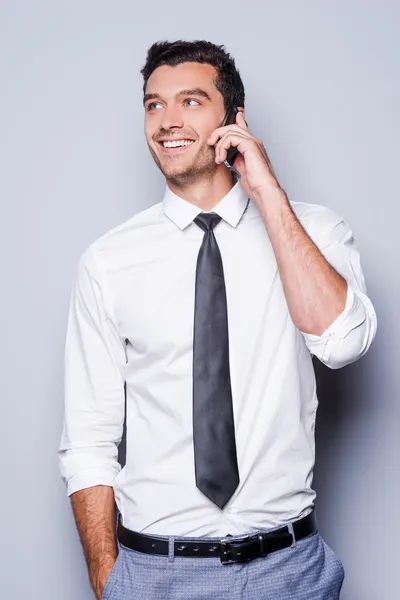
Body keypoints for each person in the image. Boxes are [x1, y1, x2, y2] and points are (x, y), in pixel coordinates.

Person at [58, 39, 377, 600]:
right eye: (154, 105)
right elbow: (88, 439)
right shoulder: (108, 262)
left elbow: (343, 342)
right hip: (154, 573)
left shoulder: (315, 231)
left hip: (288, 570)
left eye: (190, 101)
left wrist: (267, 194)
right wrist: (109, 579)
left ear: (233, 119)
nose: (167, 121)